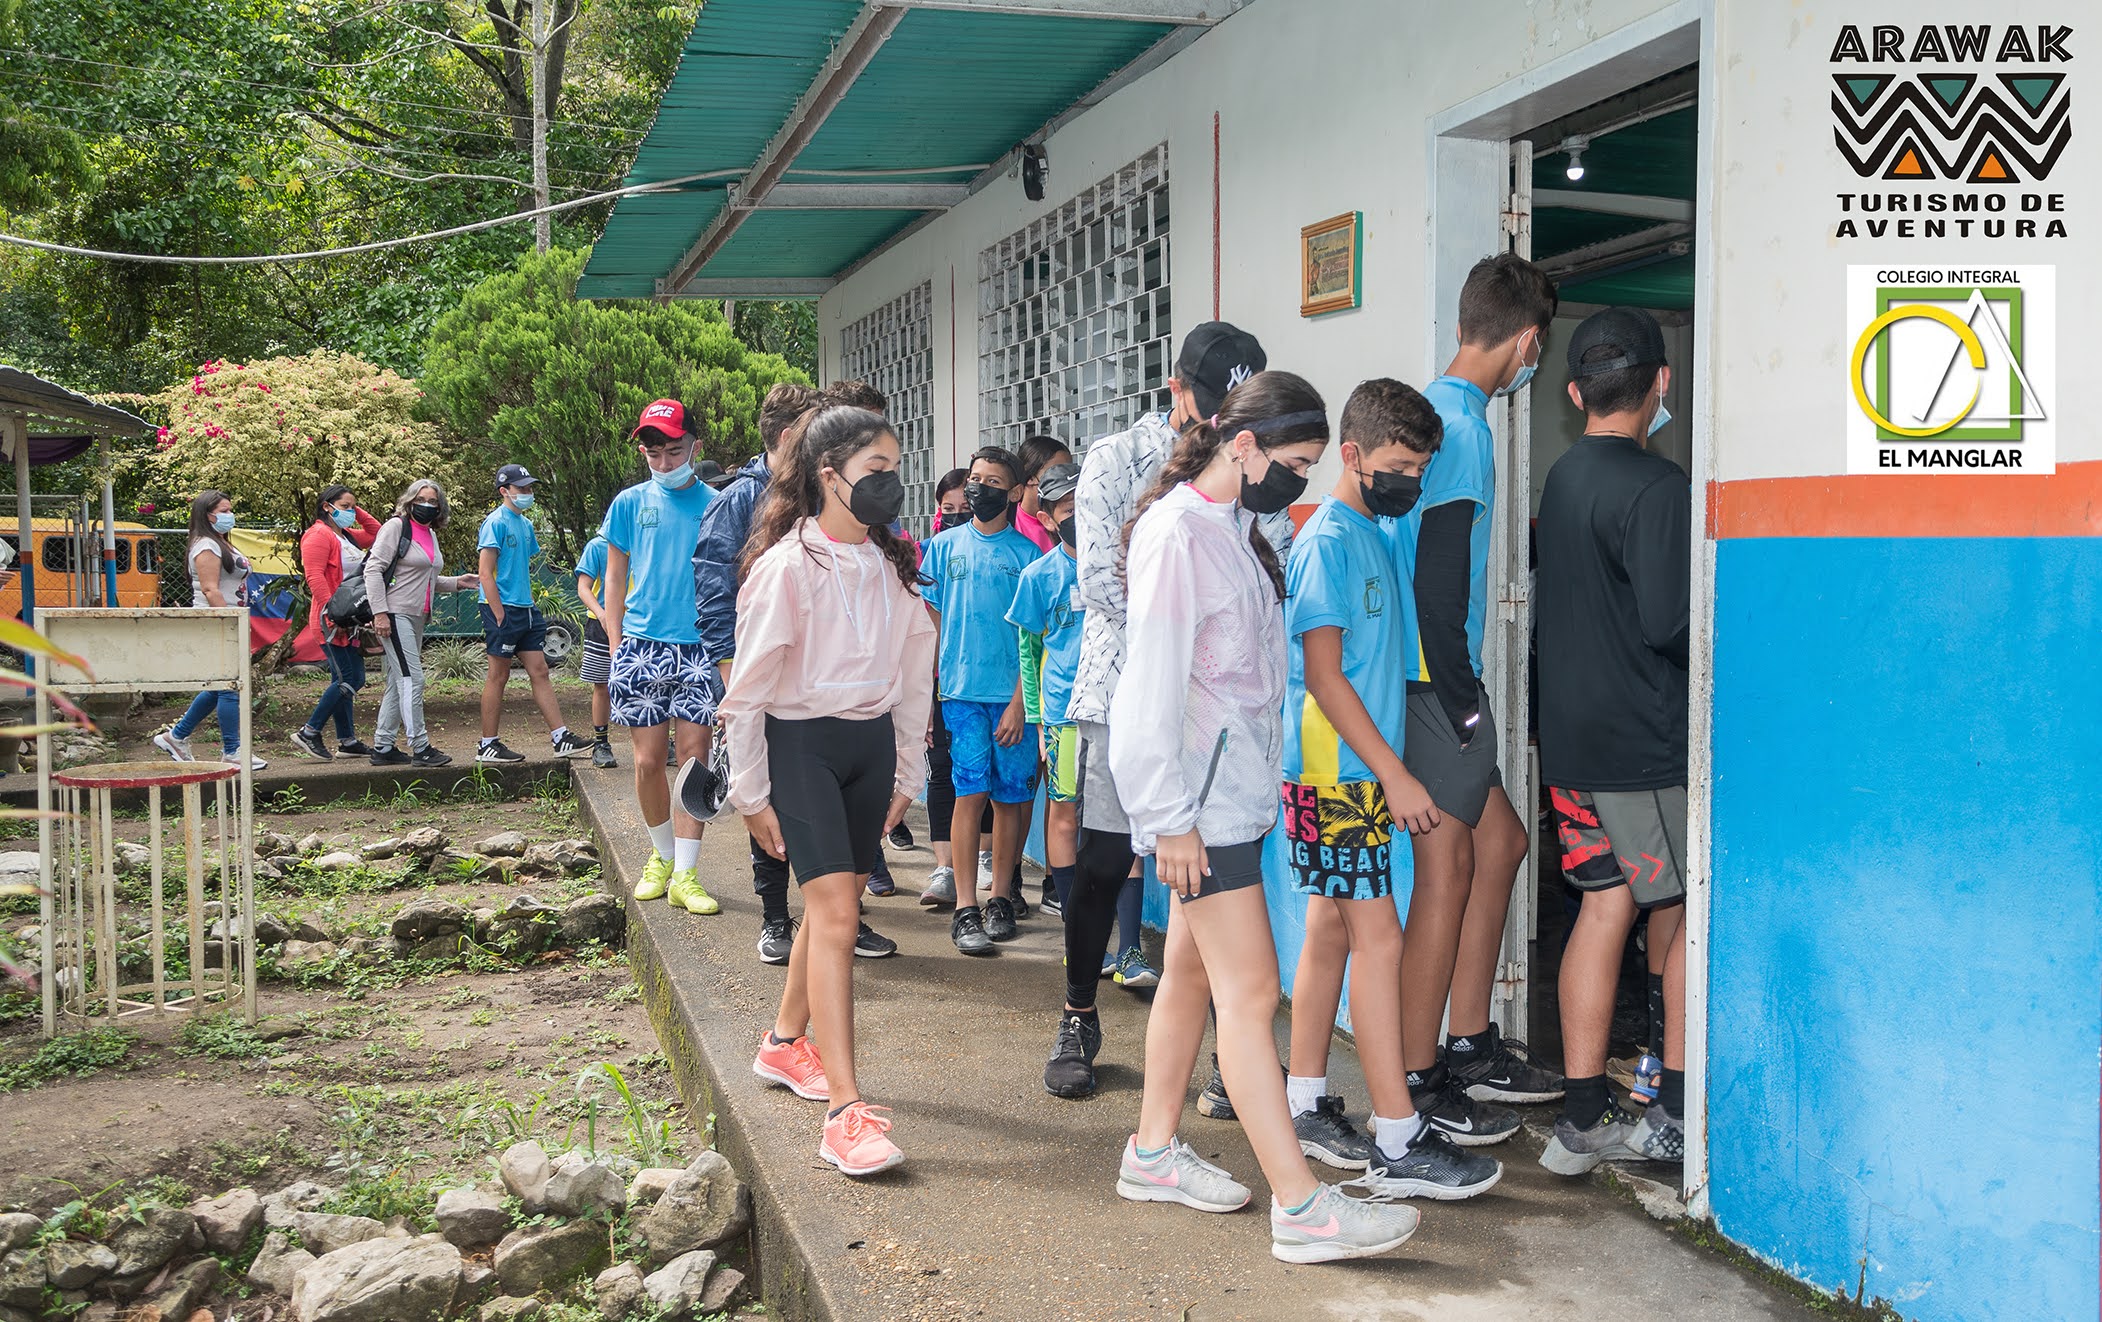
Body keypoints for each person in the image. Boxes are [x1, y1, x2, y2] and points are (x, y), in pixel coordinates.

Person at [1109, 371, 1418, 1263]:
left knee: (1190, 976)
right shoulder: (1178, 534)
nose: (1301, 480)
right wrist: (1169, 818)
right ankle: (1302, 1206)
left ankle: (1152, 1152)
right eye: (1294, 462)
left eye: (1312, 466)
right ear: (1240, 445)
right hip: (1199, 810)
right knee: (1250, 997)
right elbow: (1149, 686)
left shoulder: (1235, 529)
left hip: (1230, 799)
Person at [1052, 320, 1295, 1107]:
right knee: (1102, 863)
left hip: (1221, 725)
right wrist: (1190, 632)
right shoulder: (1117, 459)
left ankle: (1233, 1058)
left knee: (1215, 891)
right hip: (1126, 692)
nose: (1223, 416)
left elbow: (1274, 566)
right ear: (1177, 389)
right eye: (1213, 398)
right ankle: (1078, 1015)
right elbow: (1100, 580)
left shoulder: (1255, 463)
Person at [1274, 379, 1502, 1201]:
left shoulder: (1373, 531)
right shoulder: (1327, 542)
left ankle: (1305, 1101)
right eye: (1399, 467)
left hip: (1352, 774)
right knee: (1379, 943)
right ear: (1353, 455)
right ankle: (1398, 1139)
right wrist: (1397, 774)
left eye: (1421, 469)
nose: (1410, 482)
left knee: (1331, 932)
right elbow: (1325, 678)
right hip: (1337, 775)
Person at [724, 405, 935, 1177]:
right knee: (840, 914)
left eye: (895, 468)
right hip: (802, 746)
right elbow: (747, 693)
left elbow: (914, 676)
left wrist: (907, 772)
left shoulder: (889, 566)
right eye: (876, 469)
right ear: (828, 475)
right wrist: (751, 794)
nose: (891, 483)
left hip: (869, 748)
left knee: (831, 903)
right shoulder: (787, 568)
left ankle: (784, 1043)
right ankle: (846, 1112)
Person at [1389, 253, 1565, 1146]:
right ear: (1529, 343)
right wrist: (1464, 702)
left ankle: (1469, 1042)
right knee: (1447, 872)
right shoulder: (1460, 429)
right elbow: (1436, 581)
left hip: (1427, 678)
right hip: (1433, 683)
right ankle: (1418, 1079)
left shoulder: (1435, 407)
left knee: (1501, 843)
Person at [1534, 306, 1691, 1174]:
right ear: (1661, 382)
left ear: (1575, 394)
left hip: (1572, 743)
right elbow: (1671, 625)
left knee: (1603, 907)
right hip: (1642, 748)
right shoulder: (1658, 487)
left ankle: (1582, 1119)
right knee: (1682, 909)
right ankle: (1673, 1111)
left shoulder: (1562, 478)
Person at [697, 382, 898, 962]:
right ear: (796, 438)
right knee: (773, 816)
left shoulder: (841, 506)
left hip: (836, 698)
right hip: (766, 680)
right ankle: (775, 918)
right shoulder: (743, 499)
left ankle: (834, 919)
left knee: (830, 847)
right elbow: (715, 587)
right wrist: (736, 677)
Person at [601, 401, 724, 915]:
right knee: (648, 760)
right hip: (641, 646)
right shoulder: (629, 503)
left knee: (695, 761)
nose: (665, 462)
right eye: (654, 453)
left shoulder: (718, 504)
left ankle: (687, 875)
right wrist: (616, 644)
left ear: (695, 446)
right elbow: (613, 577)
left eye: (675, 451)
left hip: (700, 648)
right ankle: (662, 857)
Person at [916, 446, 1039, 954]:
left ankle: (1000, 898)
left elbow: (1034, 642)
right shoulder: (942, 549)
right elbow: (931, 624)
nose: (978, 488)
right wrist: (931, 694)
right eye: (974, 478)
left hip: (1013, 703)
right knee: (969, 795)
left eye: (992, 482)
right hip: (960, 696)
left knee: (1010, 800)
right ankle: (966, 908)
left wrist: (1019, 703)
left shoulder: (1029, 557)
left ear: (1014, 493)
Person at [476, 463, 590, 765]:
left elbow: (521, 566)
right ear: (504, 491)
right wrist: (499, 613)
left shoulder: (525, 525)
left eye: (529, 487)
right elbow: (485, 573)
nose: (528, 492)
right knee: (498, 675)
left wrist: (526, 604)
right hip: (502, 609)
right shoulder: (495, 522)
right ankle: (487, 744)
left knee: (540, 671)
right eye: (521, 488)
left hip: (526, 608)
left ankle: (560, 737)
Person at [365, 480, 476, 766]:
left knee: (397, 680)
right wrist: (380, 613)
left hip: (416, 617)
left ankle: (383, 746)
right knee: (413, 679)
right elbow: (373, 570)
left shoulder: (430, 534)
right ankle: (421, 747)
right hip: (395, 614)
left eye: (432, 501)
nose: (426, 505)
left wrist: (458, 582)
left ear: (440, 507)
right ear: (410, 501)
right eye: (421, 499)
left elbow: (425, 579)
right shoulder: (396, 527)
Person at [154, 490, 264, 769]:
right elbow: (210, 589)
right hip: (217, 622)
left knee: (220, 686)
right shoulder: (206, 546)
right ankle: (232, 751)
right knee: (229, 687)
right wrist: (230, 621)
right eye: (224, 511)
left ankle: (176, 737)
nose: (230, 516)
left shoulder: (220, 542)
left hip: (228, 619)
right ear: (207, 515)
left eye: (230, 510)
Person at [291, 485, 381, 761]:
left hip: (347, 618)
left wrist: (353, 509)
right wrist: (333, 612)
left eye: (353, 506)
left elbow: (377, 533)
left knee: (341, 679)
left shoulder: (346, 535)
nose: (351, 512)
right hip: (331, 619)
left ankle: (347, 740)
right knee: (352, 678)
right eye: (345, 507)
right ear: (327, 507)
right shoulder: (317, 535)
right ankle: (309, 731)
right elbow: (315, 577)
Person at [917, 469, 972, 902]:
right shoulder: (930, 553)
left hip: (982, 682)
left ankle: (983, 857)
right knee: (942, 770)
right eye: (947, 509)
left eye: (964, 509)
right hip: (940, 681)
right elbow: (926, 627)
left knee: (976, 777)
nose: (955, 516)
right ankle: (944, 868)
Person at [574, 534, 619, 769]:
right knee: (602, 684)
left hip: (638, 623)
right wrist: (602, 614)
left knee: (649, 683)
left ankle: (664, 743)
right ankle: (601, 744)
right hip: (599, 625)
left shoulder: (642, 541)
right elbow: (583, 588)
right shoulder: (597, 546)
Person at [1011, 436, 1070, 554]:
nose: (1065, 479)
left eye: (1068, 472)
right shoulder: (1008, 522)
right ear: (1030, 478)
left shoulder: (1071, 519)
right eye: (1055, 472)